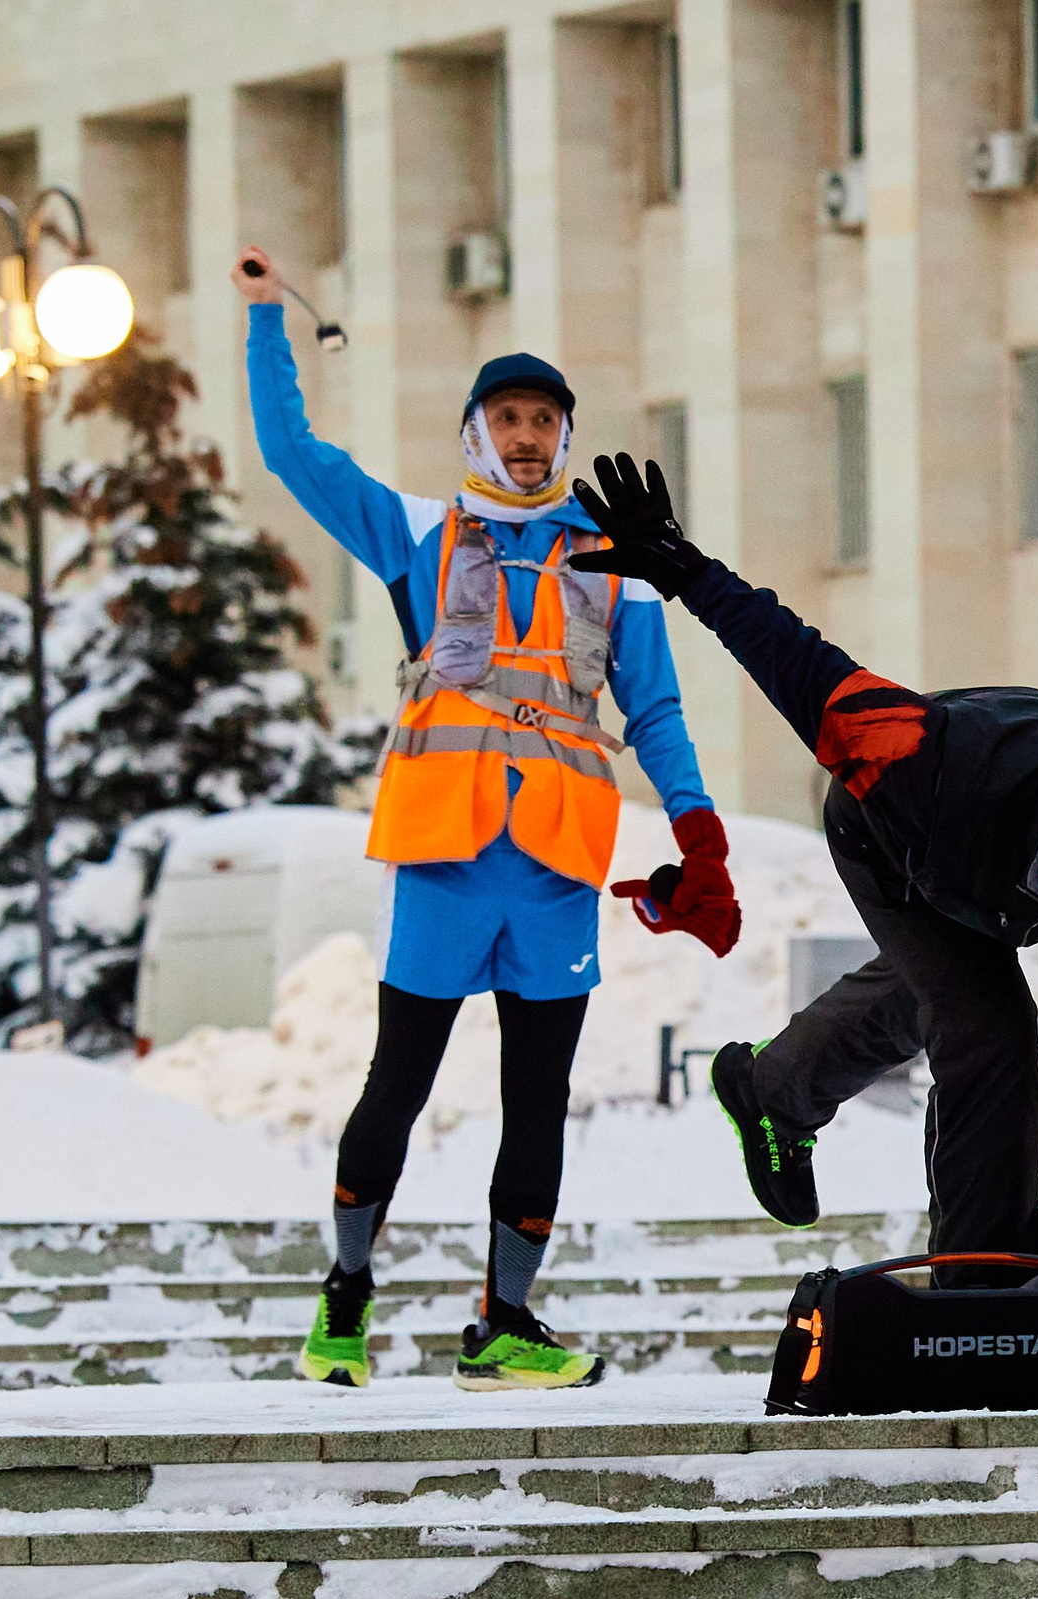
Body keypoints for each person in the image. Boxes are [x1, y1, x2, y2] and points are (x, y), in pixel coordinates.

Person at [236, 248, 741, 1390]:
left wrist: (698, 833)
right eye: (506, 417)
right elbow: (291, 456)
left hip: (557, 865)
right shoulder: (420, 532)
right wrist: (270, 320)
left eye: (543, 421)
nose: (525, 436)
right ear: (475, 433)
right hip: (445, 859)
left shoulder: (619, 570)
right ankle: (344, 1301)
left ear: (565, 439)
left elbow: (653, 714)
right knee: (396, 1086)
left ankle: (503, 1323)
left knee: (536, 1102)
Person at [569, 454, 1038, 1273]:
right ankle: (978, 1280)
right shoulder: (924, 760)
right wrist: (686, 570)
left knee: (948, 986)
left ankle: (774, 1090)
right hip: (896, 843)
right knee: (987, 1024)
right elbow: (801, 662)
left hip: (997, 881)